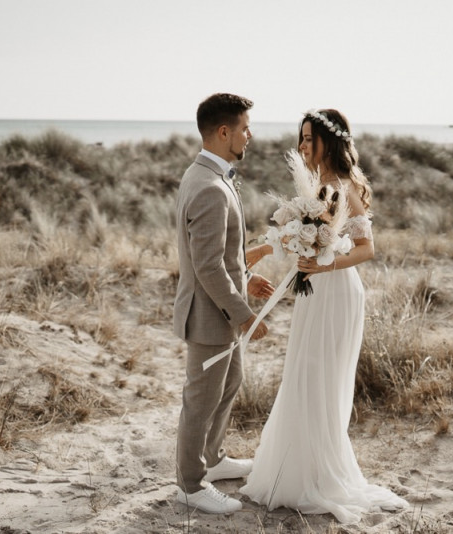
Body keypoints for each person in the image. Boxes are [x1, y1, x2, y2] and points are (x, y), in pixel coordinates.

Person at [240, 109, 409, 523]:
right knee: (303, 373)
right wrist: (265, 250)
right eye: (300, 138)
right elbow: (299, 237)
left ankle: (317, 474)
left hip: (337, 292)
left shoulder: (343, 186)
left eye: (308, 139)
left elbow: (367, 248)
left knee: (321, 378)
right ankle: (294, 468)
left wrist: (323, 266)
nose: (301, 145)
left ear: (327, 142)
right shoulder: (317, 187)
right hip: (314, 291)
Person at [173, 93, 275, 514]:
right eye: (245, 128)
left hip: (222, 311)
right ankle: (191, 485)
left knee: (228, 386)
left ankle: (213, 460)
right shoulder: (210, 187)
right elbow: (208, 267)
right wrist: (245, 314)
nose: (249, 136)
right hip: (209, 318)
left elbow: (222, 258)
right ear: (223, 131)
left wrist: (247, 279)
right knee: (199, 400)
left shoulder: (210, 176)